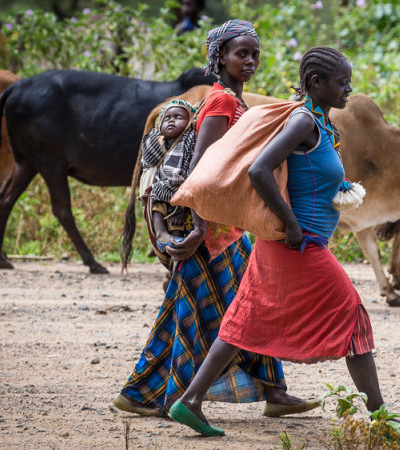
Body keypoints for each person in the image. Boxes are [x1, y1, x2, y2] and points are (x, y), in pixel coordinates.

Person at [167, 47, 389, 437]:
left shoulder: (319, 122)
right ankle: (383, 420)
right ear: (316, 84)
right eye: (342, 82)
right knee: (353, 317)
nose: (349, 89)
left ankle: (190, 401)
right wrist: (290, 222)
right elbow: (259, 169)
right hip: (298, 247)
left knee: (242, 320)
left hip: (290, 245)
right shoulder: (303, 122)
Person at [113, 19, 318, 420]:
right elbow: (201, 167)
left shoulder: (232, 100)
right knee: (208, 311)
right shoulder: (223, 101)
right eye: (242, 53)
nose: (250, 60)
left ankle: (271, 391)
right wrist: (199, 227)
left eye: (255, 53)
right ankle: (145, 394)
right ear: (220, 56)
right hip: (210, 230)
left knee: (220, 307)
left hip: (223, 226)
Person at [140, 99, 198, 253]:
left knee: (178, 217)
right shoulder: (157, 140)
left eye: (178, 117)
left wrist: (181, 206)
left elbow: (189, 167)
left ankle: (175, 241)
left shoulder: (190, 140)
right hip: (161, 186)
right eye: (167, 118)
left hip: (181, 187)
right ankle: (161, 233)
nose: (172, 120)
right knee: (156, 201)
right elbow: (147, 160)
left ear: (190, 122)